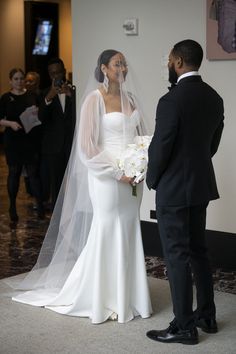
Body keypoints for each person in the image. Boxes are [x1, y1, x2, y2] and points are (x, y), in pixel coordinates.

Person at [10, 49, 152, 324]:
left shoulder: (131, 99)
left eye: (124, 63)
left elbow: (140, 137)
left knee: (129, 227)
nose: (123, 67)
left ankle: (129, 296)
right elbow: (87, 148)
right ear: (104, 68)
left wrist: (140, 165)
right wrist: (117, 172)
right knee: (107, 227)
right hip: (107, 177)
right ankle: (101, 297)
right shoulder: (93, 99)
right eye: (117, 63)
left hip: (132, 178)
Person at [146, 39, 224, 345]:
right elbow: (211, 146)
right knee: (199, 252)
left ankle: (184, 327)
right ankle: (207, 316)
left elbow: (161, 148)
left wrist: (151, 179)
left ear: (178, 61)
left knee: (177, 256)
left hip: (174, 190)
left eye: (169, 60)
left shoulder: (171, 100)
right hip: (201, 184)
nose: (168, 65)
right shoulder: (214, 97)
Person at [0, 68, 44, 222]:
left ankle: (40, 206)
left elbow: (40, 114)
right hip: (13, 140)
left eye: (21, 78)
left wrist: (36, 113)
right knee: (14, 172)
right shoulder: (5, 98)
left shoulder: (32, 95)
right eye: (16, 79)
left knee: (33, 174)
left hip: (30, 139)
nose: (19, 81)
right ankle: (12, 206)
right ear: (10, 81)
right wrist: (10, 123)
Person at [38, 58, 76, 209]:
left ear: (64, 71)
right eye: (53, 73)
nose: (56, 76)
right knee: (56, 184)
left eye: (59, 72)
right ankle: (56, 218)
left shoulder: (74, 90)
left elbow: (80, 113)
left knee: (75, 182)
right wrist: (50, 96)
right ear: (49, 75)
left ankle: (75, 215)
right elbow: (41, 117)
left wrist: (71, 96)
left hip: (72, 144)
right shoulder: (44, 94)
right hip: (53, 148)